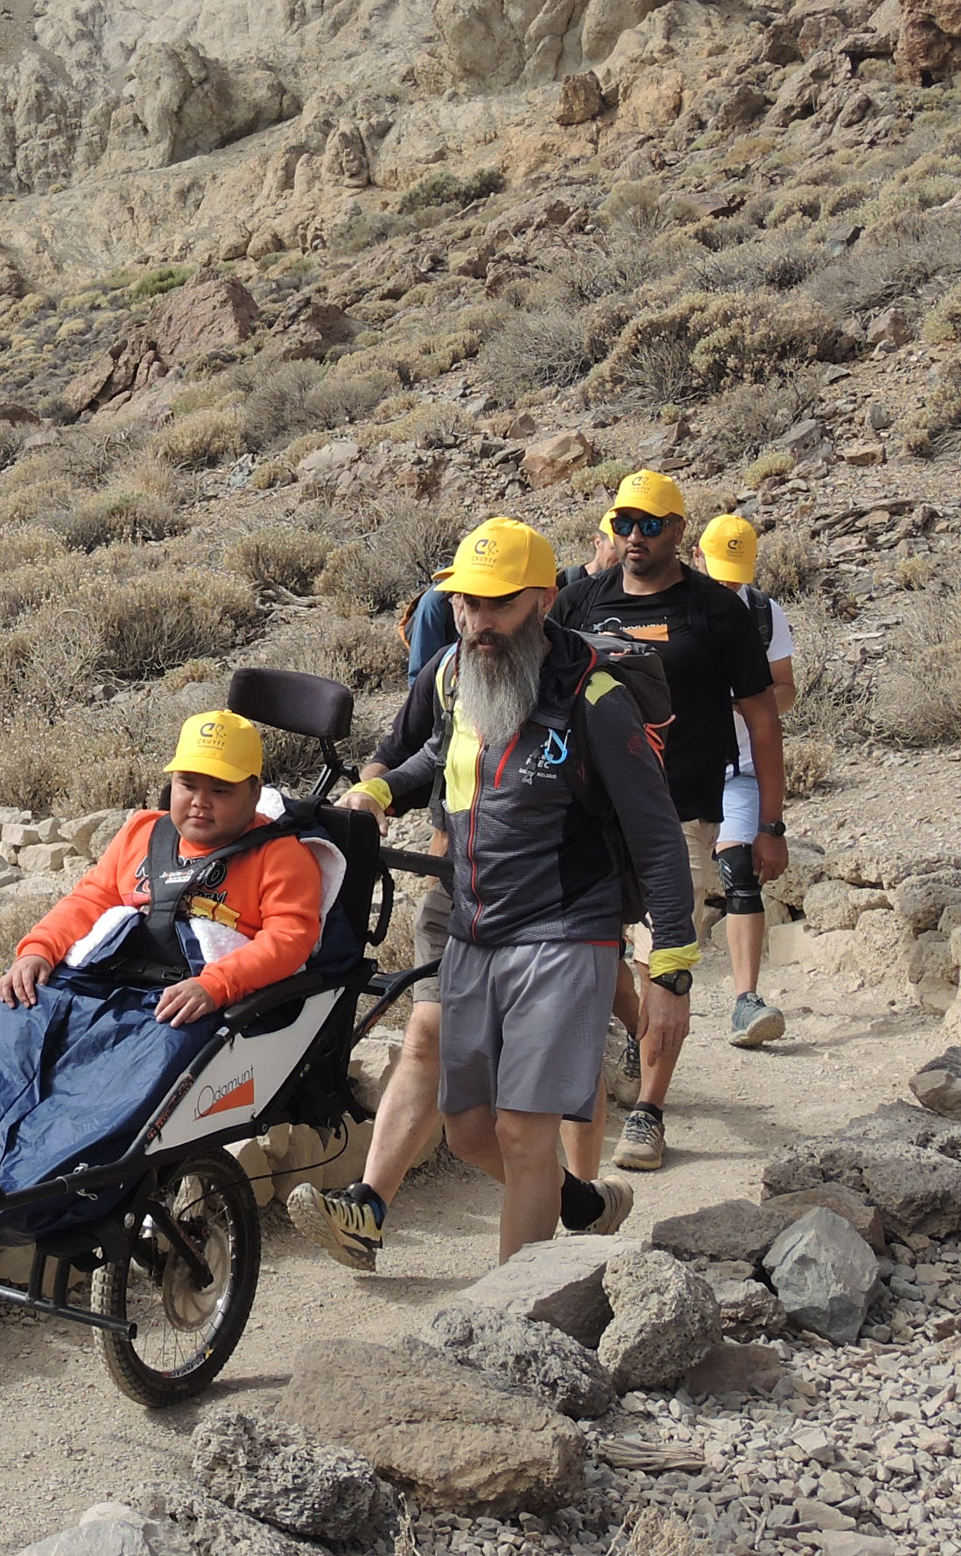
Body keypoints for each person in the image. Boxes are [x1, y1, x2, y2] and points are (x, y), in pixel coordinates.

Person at [327, 518, 693, 1262]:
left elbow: (657, 836)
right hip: (474, 930)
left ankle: (512, 1314)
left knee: (524, 1131)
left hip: (565, 930)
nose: (477, 620)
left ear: (544, 600)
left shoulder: (596, 700)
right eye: (466, 602)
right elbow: (435, 754)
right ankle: (581, 1203)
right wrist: (381, 793)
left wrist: (672, 971)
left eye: (498, 603)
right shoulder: (455, 674)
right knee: (469, 1132)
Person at [0, 712, 323, 1223]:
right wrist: (37, 950)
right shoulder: (143, 833)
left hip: (183, 996)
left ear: (253, 792)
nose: (199, 801)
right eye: (188, 784)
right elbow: (89, 899)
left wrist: (216, 984)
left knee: (119, 1076)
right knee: (18, 1010)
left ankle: (40, 1194)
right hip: (105, 978)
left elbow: (290, 940)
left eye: (220, 790)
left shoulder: (281, 857)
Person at [550, 471, 785, 1174]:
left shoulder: (716, 611)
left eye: (651, 524)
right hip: (589, 814)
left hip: (679, 810)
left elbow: (763, 719)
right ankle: (639, 1031)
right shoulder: (581, 601)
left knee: (666, 959)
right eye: (623, 523)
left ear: (680, 530)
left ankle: (649, 1109)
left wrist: (770, 823)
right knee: (602, 956)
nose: (634, 537)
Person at [698, 514, 799, 1050]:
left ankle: (746, 999)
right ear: (695, 557)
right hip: (680, 768)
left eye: (736, 576)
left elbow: (786, 691)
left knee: (739, 872)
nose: (728, 585)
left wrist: (746, 701)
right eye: (718, 574)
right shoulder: (671, 610)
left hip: (738, 767)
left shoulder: (763, 613)